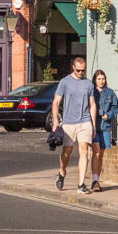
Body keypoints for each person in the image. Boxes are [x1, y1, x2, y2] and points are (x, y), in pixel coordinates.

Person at [49, 55, 99, 192]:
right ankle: (62, 172)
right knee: (67, 151)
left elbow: (92, 104)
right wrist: (55, 122)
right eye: (78, 70)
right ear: (73, 67)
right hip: (69, 122)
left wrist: (93, 124)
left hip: (85, 121)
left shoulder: (88, 84)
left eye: (83, 70)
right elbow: (56, 102)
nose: (81, 73)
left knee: (84, 150)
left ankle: (81, 184)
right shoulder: (65, 82)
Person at [88, 68, 116, 184]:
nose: (101, 81)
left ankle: (97, 178)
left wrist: (108, 115)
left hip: (105, 127)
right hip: (94, 126)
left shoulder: (110, 92)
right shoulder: (91, 92)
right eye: (99, 79)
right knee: (96, 152)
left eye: (103, 79)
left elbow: (115, 108)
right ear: (95, 80)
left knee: (101, 154)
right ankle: (95, 180)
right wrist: (99, 113)